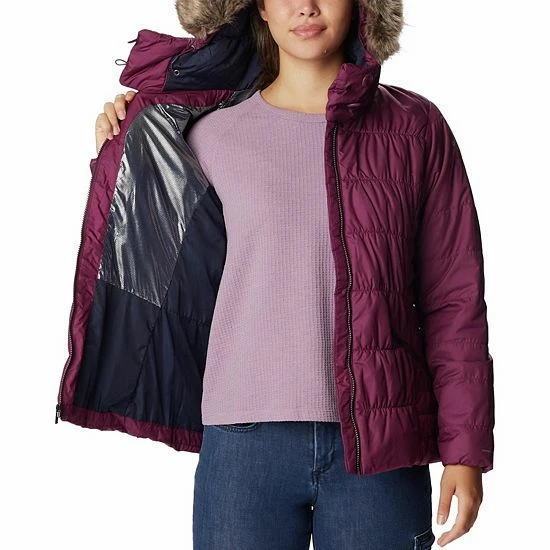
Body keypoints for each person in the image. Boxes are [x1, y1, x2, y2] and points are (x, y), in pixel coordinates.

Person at [68, 1, 494, 548]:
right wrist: (124, 143)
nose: (305, 7)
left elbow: (453, 299)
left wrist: (464, 450)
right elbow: (142, 240)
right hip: (243, 443)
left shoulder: (414, 130)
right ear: (260, 8)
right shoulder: (208, 135)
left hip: (381, 444)